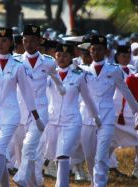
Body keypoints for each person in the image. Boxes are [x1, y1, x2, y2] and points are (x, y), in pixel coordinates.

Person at [80, 35, 138, 187]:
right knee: (90, 157)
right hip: (87, 118)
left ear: (106, 51)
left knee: (101, 156)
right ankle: (94, 182)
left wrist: (137, 113)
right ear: (90, 51)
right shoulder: (83, 71)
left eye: (99, 49)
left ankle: (100, 184)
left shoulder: (114, 70)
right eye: (93, 49)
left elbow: (127, 93)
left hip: (107, 118)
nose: (96, 52)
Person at [0, 27, 44, 187]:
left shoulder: (18, 65)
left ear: (11, 43)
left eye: (4, 41)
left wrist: (36, 117)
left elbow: (27, 93)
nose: (0, 44)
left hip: (11, 113)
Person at [13, 24, 65, 186]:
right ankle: (36, 182)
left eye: (32, 41)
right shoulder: (16, 61)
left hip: (40, 110)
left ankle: (21, 179)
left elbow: (57, 79)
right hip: (21, 109)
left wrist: (62, 89)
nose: (28, 44)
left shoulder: (48, 62)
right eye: (25, 41)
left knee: (30, 145)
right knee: (22, 151)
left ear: (40, 41)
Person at [43, 43, 100, 187]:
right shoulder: (49, 74)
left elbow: (87, 99)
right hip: (52, 121)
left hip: (71, 122)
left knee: (63, 155)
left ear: (71, 57)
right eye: (59, 55)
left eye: (66, 55)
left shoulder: (79, 75)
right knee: (56, 156)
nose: (62, 58)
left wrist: (96, 117)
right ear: (54, 56)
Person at [110, 45, 138, 178]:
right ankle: (108, 166)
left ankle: (137, 168)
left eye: (128, 56)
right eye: (123, 56)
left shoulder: (133, 70)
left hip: (130, 112)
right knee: (110, 142)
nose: (126, 58)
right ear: (117, 57)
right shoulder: (113, 70)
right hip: (116, 112)